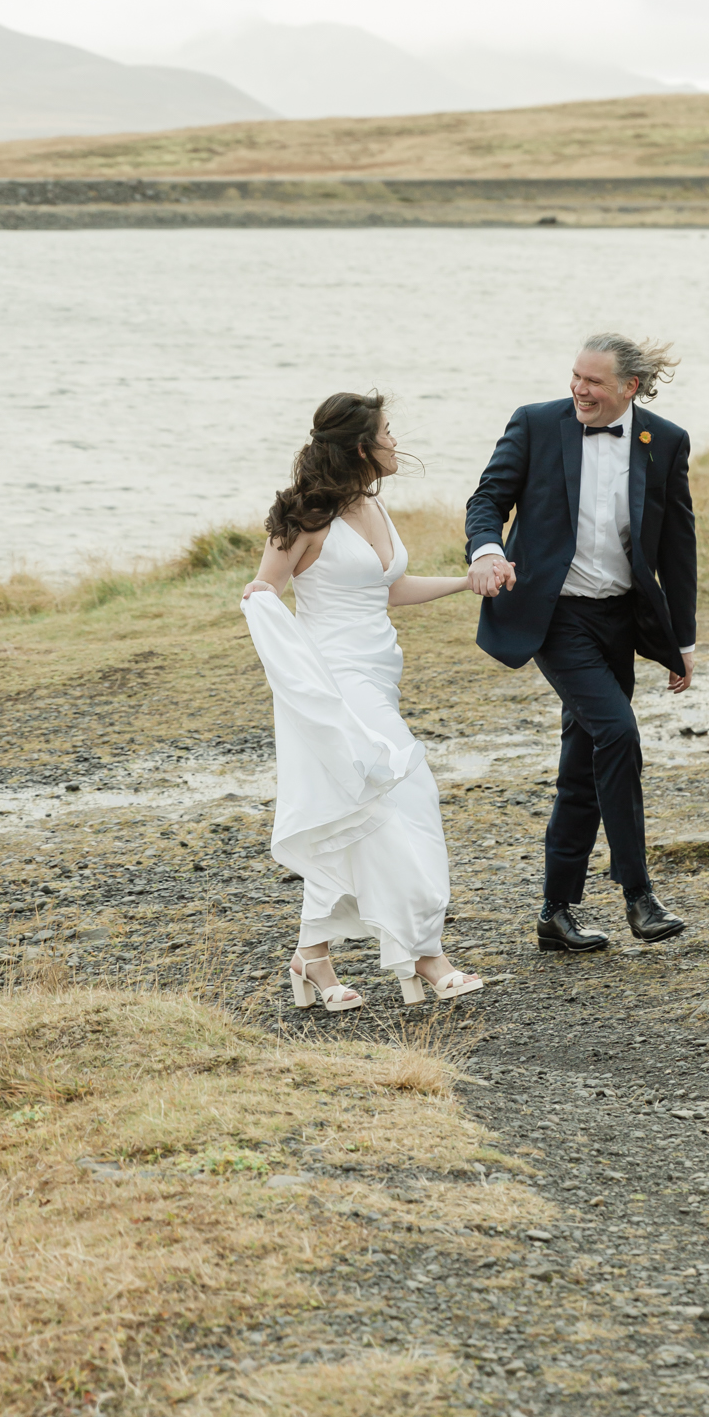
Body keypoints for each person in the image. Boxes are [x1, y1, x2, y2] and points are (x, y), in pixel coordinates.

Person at [241, 390, 483, 1012]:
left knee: (349, 811)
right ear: (360, 446)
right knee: (402, 795)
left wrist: (467, 583)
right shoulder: (303, 519)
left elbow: (391, 588)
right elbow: (264, 593)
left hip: (378, 676)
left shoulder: (373, 508)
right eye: (387, 432)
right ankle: (424, 956)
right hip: (334, 682)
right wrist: (295, 675)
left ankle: (312, 957)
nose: (396, 442)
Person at [464, 335, 697, 954]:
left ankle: (556, 911)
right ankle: (638, 895)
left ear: (630, 388)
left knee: (585, 759)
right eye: (575, 376)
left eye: (594, 381)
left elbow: (678, 545)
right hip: (553, 616)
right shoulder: (537, 424)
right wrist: (487, 551)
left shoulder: (665, 441)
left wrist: (684, 640)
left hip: (619, 620)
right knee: (617, 733)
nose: (579, 389)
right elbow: (487, 499)